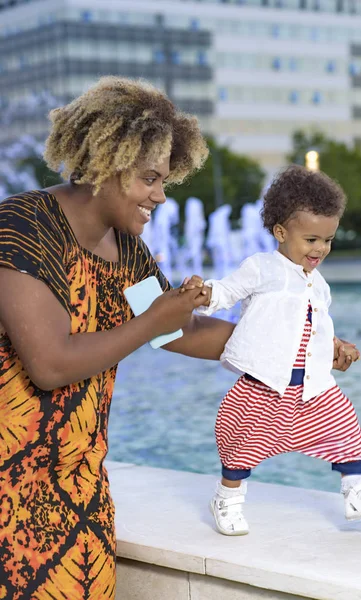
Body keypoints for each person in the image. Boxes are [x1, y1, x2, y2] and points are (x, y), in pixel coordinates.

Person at [0, 77, 238, 599]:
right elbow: (51, 364)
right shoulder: (24, 225)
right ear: (105, 163)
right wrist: (155, 318)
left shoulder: (127, 249)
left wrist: (291, 343)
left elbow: (181, 333)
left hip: (79, 492)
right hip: (6, 492)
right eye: (149, 178)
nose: (159, 195)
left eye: (165, 181)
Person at [183, 165, 361, 536]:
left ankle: (357, 491)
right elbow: (227, 291)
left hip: (312, 386)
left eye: (327, 240)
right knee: (243, 441)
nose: (320, 249)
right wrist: (203, 293)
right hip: (267, 382)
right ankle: (227, 499)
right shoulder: (263, 268)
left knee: (345, 426)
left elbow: (314, 326)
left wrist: (336, 345)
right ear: (281, 232)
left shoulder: (319, 285)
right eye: (311, 240)